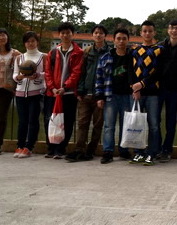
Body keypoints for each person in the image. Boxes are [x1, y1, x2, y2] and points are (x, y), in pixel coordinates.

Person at [66, 25, 110, 162]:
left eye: (101, 33)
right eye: (96, 33)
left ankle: (91, 151)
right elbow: (82, 71)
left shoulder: (109, 52)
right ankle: (79, 149)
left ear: (105, 36)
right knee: (82, 123)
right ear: (92, 35)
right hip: (86, 93)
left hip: (101, 95)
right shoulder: (87, 51)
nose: (98, 35)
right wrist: (79, 90)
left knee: (97, 124)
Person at [43, 22, 83, 159]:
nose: (65, 35)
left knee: (67, 121)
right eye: (63, 33)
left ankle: (61, 148)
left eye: (68, 33)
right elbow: (47, 72)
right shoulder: (53, 52)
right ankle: (51, 148)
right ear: (59, 35)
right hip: (53, 93)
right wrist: (52, 88)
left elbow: (76, 73)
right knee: (50, 120)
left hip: (69, 93)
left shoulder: (78, 52)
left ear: (72, 34)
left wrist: (64, 87)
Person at [95, 28, 134, 164]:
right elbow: (99, 78)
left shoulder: (132, 56)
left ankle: (124, 150)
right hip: (110, 96)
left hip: (127, 96)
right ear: (114, 40)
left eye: (124, 38)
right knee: (109, 125)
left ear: (128, 40)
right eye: (118, 38)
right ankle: (108, 151)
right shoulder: (106, 57)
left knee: (125, 124)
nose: (121, 41)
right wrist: (99, 96)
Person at [129, 20, 163, 166]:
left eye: (150, 31)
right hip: (138, 93)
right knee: (138, 123)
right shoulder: (135, 50)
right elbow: (131, 71)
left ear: (154, 32)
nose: (147, 33)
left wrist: (142, 84)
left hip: (153, 93)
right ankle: (139, 152)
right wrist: (135, 88)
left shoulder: (159, 50)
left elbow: (159, 72)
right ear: (140, 33)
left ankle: (152, 153)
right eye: (145, 31)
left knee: (154, 124)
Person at [158, 19, 177, 163]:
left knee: (171, 122)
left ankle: (167, 149)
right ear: (168, 30)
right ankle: (156, 147)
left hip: (175, 90)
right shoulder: (160, 46)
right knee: (155, 120)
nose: (174, 30)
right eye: (171, 28)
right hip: (159, 89)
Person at [13, 31, 45, 158]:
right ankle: (20, 145)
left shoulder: (44, 57)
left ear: (37, 42)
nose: (30, 43)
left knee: (33, 120)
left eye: (33, 41)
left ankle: (29, 147)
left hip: (36, 93)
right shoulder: (19, 58)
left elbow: (47, 74)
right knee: (22, 121)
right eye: (27, 41)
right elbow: (15, 74)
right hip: (20, 93)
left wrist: (37, 75)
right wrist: (19, 77)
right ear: (24, 43)